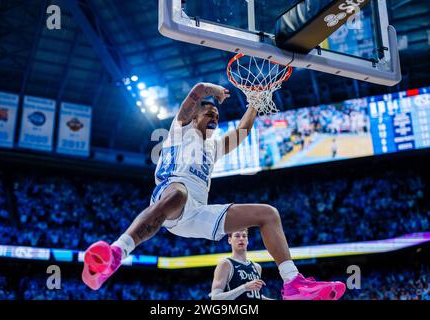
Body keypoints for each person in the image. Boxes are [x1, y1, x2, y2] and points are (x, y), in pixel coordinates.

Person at [81, 82, 346, 300]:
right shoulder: (180, 130)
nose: (215, 118)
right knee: (180, 193)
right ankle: (116, 253)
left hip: (197, 213)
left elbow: (242, 131)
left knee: (269, 214)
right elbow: (194, 94)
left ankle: (293, 283)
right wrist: (210, 89)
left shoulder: (213, 147)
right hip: (170, 195)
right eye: (210, 113)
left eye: (217, 117)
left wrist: (254, 102)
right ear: (195, 115)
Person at [210, 228, 274, 300]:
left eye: (244, 236)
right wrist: (244, 287)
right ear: (229, 240)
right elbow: (215, 298)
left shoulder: (257, 267)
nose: (241, 238)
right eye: (237, 236)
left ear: (248, 240)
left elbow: (256, 296)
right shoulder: (225, 264)